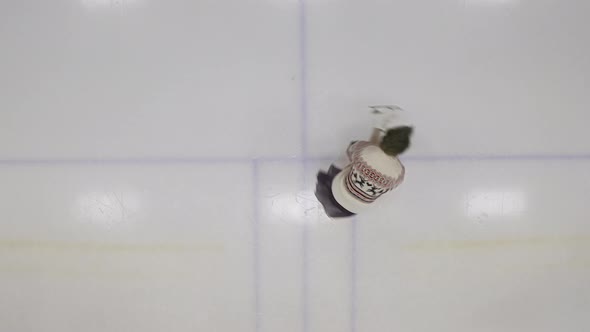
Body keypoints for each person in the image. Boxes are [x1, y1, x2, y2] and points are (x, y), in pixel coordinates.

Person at [315, 106, 413, 218]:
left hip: (345, 191)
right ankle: (380, 122)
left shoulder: (394, 172)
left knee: (364, 152)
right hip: (354, 199)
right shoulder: (398, 173)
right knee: (366, 153)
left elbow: (352, 149)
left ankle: (379, 123)